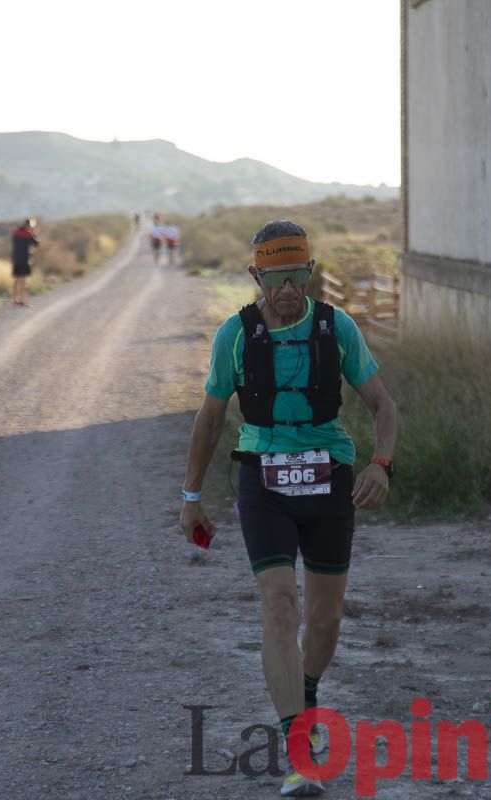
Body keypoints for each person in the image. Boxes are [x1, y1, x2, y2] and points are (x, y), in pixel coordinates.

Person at [179, 220, 397, 796]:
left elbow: (383, 405)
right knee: (280, 605)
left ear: (309, 272)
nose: (286, 289)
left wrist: (381, 464)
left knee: (324, 622)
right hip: (263, 480)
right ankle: (300, 741)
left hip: (331, 479)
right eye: (275, 278)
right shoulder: (235, 335)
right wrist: (192, 498)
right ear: (256, 276)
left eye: (297, 276)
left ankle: (306, 689)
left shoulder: (336, 328)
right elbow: (209, 418)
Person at [11, 218, 40, 307]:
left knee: (16, 279)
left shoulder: (15, 232)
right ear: (29, 225)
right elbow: (36, 243)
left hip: (16, 258)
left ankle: (16, 299)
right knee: (23, 280)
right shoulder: (28, 233)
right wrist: (33, 232)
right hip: (24, 259)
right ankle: (22, 300)